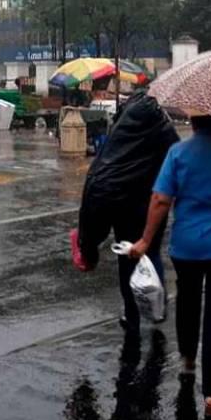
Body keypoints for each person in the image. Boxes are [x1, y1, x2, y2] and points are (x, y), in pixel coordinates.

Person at [130, 115, 211, 419]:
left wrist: (145, 241)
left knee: (188, 301)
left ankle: (189, 361)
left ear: (192, 121)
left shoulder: (178, 153)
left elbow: (161, 199)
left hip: (188, 247)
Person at [74, 91, 180, 333]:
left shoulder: (119, 133)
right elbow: (176, 161)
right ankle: (157, 306)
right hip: (151, 203)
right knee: (150, 250)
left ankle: (132, 315)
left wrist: (88, 245)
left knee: (127, 258)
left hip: (122, 205)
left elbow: (98, 182)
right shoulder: (163, 129)